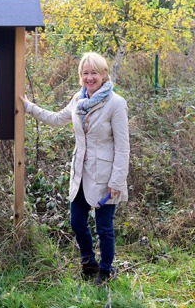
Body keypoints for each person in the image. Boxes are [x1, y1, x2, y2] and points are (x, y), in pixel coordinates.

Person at [20, 52, 130, 284]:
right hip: (80, 174)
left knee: (104, 228)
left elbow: (122, 147)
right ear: (81, 76)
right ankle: (88, 262)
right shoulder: (78, 101)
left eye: (95, 73)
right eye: (86, 73)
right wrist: (29, 107)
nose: (90, 78)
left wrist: (116, 183)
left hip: (106, 176)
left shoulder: (116, 104)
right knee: (77, 222)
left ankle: (105, 270)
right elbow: (57, 119)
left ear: (104, 75)